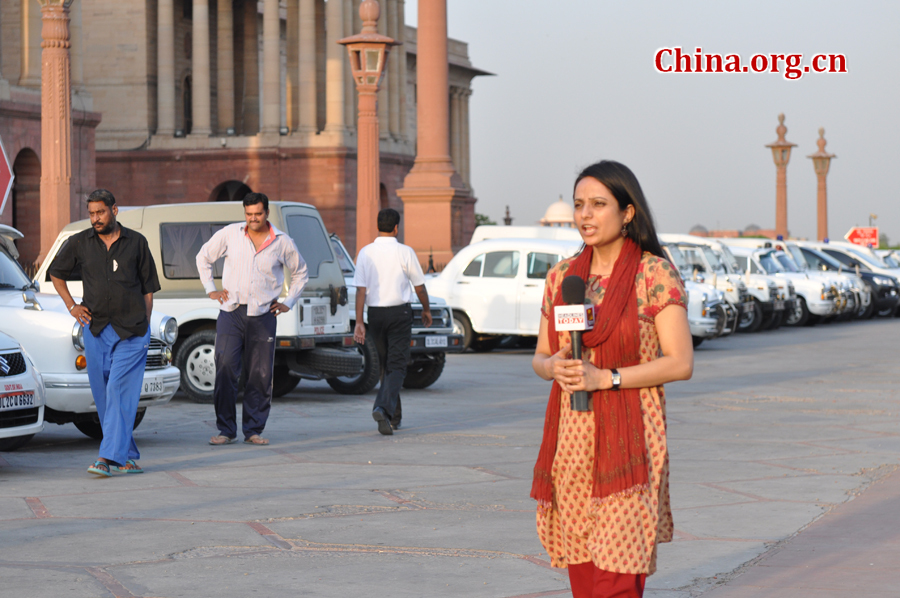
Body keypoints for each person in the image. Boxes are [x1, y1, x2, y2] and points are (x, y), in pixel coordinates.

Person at [530, 161, 694, 598]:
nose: (585, 214)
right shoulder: (563, 277)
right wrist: (554, 368)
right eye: (580, 204)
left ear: (627, 212)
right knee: (583, 576)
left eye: (599, 204)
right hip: (572, 440)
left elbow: (680, 362)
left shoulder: (653, 274)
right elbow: (541, 356)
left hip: (630, 442)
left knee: (617, 581)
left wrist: (606, 378)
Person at [50, 189, 161, 477]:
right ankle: (128, 455)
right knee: (103, 396)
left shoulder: (136, 242)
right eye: (91, 214)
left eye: (100, 212)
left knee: (118, 389)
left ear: (114, 210)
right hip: (96, 329)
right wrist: (72, 306)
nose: (95, 219)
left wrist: (145, 325)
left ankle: (108, 458)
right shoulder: (80, 242)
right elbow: (56, 273)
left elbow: (148, 288)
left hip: (132, 331)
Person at [196, 193, 308, 446]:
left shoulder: (282, 242)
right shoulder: (231, 233)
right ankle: (226, 430)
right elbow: (203, 257)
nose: (253, 219)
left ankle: (253, 430)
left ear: (266, 212)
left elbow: (301, 273)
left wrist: (288, 302)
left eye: (257, 214)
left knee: (259, 373)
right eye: (248, 214)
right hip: (231, 312)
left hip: (263, 315)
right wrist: (209, 289)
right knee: (224, 367)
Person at [353, 208, 432, 435]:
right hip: (399, 315)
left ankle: (392, 417)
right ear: (397, 227)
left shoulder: (365, 253)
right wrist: (426, 310)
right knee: (397, 365)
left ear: (378, 226)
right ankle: (382, 407)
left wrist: (359, 320)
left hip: (375, 315)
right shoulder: (405, 252)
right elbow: (419, 286)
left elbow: (360, 290)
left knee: (386, 365)